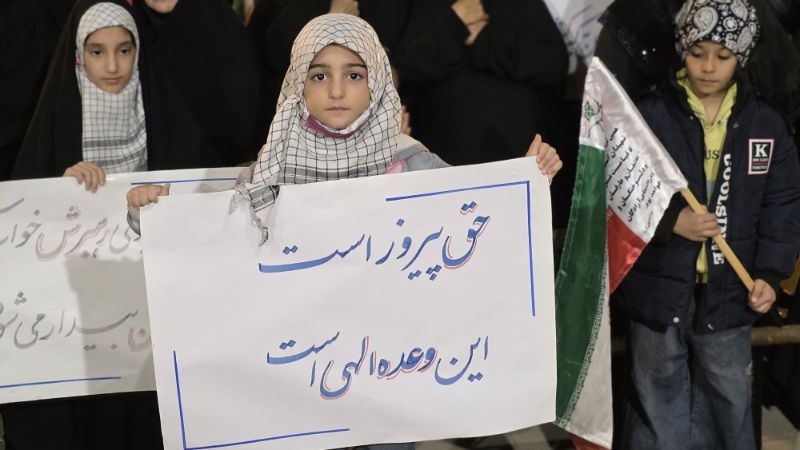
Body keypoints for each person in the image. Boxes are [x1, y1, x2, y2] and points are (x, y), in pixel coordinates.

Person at [126, 14, 561, 449]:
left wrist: (527, 183)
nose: (336, 90)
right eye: (319, 76)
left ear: (377, 82)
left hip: (388, 381)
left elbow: (477, 224)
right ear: (298, 83)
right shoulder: (270, 172)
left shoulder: (412, 163)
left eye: (354, 75)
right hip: (299, 385)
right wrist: (151, 215)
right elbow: (214, 245)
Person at [6, 1, 225, 448]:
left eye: (124, 50)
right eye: (97, 52)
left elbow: (204, 202)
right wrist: (61, 192)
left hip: (147, 331)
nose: (111, 66)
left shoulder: (166, 119)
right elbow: (24, 233)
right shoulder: (54, 128)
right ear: (77, 58)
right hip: (74, 332)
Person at [614, 0, 800, 448]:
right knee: (657, 393)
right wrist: (672, 222)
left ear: (742, 56)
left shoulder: (765, 124)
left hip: (732, 292)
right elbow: (620, 189)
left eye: (723, 55)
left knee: (729, 395)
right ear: (683, 50)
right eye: (697, 53)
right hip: (658, 287)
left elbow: (782, 206)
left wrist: (769, 274)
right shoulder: (650, 115)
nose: (709, 66)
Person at [391, 0, 567, 167]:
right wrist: (454, 26)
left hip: (518, 159)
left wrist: (483, 37)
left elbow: (554, 65)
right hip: (438, 161)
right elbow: (398, 73)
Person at [130, 0, 269, 167]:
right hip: (144, 172)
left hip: (219, 169)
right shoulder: (126, 28)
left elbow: (242, 110)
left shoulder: (219, 24)